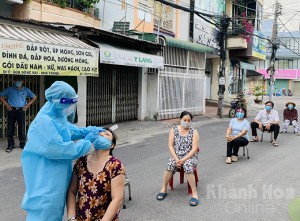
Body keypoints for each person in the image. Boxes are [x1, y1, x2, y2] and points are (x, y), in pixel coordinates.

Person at [21, 81, 106, 221]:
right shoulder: (43, 122)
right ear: (58, 101)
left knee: (55, 212)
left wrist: (85, 132)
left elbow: (68, 130)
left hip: (56, 178)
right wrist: (87, 141)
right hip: (46, 181)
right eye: (69, 103)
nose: (71, 107)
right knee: (45, 213)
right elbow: (60, 148)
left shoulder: (58, 115)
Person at [66, 128, 125, 221]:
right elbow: (71, 191)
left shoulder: (115, 165)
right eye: (100, 133)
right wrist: (71, 218)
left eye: (106, 135)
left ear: (112, 145)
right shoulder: (81, 162)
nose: (101, 135)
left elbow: (117, 199)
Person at [156, 111, 200, 206]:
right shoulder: (174, 130)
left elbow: (194, 149)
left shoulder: (194, 132)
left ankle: (194, 193)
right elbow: (170, 146)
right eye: (185, 120)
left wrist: (183, 160)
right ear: (180, 119)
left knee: (188, 165)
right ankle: (163, 188)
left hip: (190, 156)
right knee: (170, 164)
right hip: (176, 156)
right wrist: (176, 159)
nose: (186, 122)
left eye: (189, 120)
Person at [0, 75, 37, 153]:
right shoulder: (10, 89)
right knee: (10, 127)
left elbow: (34, 97)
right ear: (14, 81)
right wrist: (6, 104)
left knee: (22, 127)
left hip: (21, 111)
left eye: (20, 81)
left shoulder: (26, 90)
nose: (18, 82)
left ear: (22, 82)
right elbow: (0, 95)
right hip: (11, 110)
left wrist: (27, 105)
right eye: (17, 80)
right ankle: (10, 144)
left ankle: (22, 143)